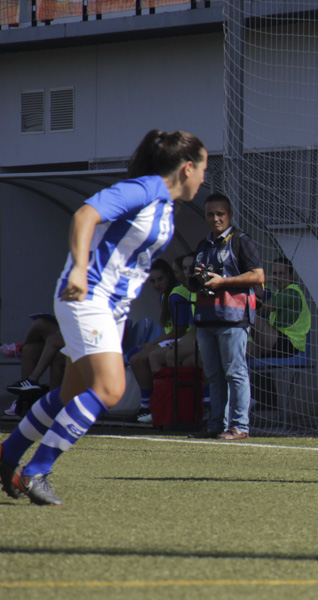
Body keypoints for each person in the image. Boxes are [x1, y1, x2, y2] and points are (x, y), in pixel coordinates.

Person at [0, 129, 207, 505]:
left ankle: (7, 455)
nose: (205, 177)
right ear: (188, 167)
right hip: (88, 296)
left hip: (111, 309)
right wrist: (79, 268)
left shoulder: (164, 205)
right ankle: (35, 471)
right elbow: (85, 214)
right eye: (204, 168)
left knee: (71, 394)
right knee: (110, 389)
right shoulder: (144, 189)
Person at [187, 193, 264, 441]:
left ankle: (240, 426)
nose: (215, 218)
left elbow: (258, 276)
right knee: (213, 374)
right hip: (206, 317)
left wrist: (224, 282)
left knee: (235, 372)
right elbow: (195, 283)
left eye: (220, 214)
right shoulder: (203, 245)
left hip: (233, 318)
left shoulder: (241, 240)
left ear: (230, 215)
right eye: (210, 214)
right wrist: (196, 277)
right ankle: (216, 425)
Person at [128, 258, 192, 423]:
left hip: (184, 340)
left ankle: (153, 406)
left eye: (160, 279)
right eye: (152, 281)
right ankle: (149, 405)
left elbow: (180, 329)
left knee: (141, 358)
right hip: (176, 339)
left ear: (170, 276)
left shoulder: (176, 294)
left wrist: (154, 343)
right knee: (135, 357)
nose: (156, 284)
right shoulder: (165, 296)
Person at [248, 257, 310, 359]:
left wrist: (261, 281)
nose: (277, 278)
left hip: (289, 346)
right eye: (275, 274)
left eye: (281, 274)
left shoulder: (291, 293)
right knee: (245, 350)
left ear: (290, 276)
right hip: (277, 342)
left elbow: (259, 308)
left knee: (251, 317)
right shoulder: (278, 293)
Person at [4, 315, 66, 416]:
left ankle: (33, 381)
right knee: (30, 349)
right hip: (70, 332)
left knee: (50, 337)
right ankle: (24, 400)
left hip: (88, 337)